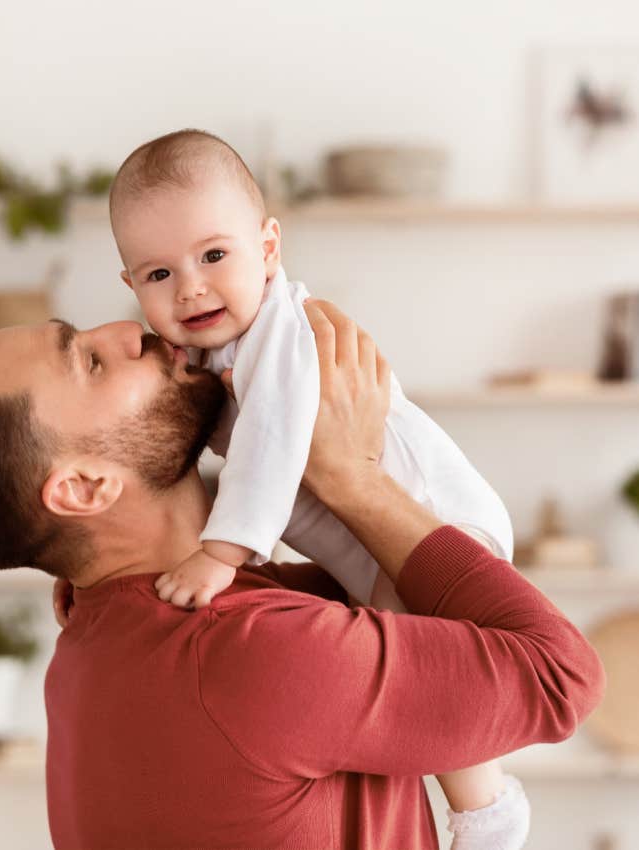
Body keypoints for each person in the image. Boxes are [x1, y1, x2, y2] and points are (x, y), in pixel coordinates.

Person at [0, 301, 604, 849]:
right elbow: (559, 676)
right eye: (89, 362)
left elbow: (381, 606)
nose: (127, 330)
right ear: (85, 490)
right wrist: (352, 477)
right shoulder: (245, 653)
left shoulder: (98, 640)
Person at [107, 128, 524, 848]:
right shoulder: (209, 355)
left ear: (268, 248)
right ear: (132, 285)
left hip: (430, 520)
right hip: (366, 549)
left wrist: (222, 552)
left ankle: (486, 808)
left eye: (213, 256)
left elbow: (269, 444)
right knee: (395, 653)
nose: (191, 286)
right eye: (158, 275)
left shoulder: (283, 332)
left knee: (413, 658)